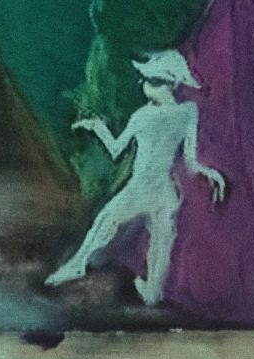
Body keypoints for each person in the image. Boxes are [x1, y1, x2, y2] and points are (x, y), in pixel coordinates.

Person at [44, 49, 228, 305]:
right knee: (155, 240)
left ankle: (82, 267)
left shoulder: (145, 116)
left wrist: (97, 127)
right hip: (163, 191)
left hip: (143, 189)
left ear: (170, 83)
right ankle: (149, 290)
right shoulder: (187, 112)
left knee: (110, 223)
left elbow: (117, 150)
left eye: (151, 80)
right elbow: (191, 162)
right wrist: (209, 172)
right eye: (145, 80)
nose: (144, 85)